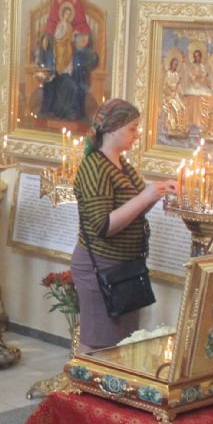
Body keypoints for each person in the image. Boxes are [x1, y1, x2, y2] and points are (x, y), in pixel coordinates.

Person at [71, 98, 177, 351]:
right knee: (98, 345)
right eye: (132, 128)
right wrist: (145, 196)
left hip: (124, 269)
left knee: (122, 344)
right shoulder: (95, 167)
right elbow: (103, 226)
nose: (137, 135)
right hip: (101, 267)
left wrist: (158, 192)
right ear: (112, 129)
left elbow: (133, 211)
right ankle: (86, 377)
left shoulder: (122, 165)